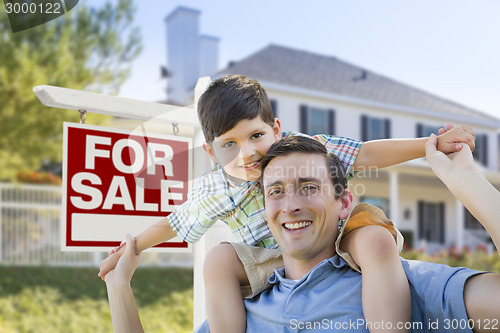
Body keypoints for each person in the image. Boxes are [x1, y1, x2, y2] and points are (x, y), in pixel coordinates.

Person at [99, 75, 476, 333]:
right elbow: (174, 223)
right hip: (271, 257)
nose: (247, 153)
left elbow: (364, 153)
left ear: (276, 129)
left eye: (256, 136)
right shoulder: (214, 189)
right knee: (218, 259)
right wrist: (129, 249)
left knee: (373, 239)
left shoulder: (304, 150)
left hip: (336, 235)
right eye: (229, 144)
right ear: (210, 152)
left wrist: (429, 146)